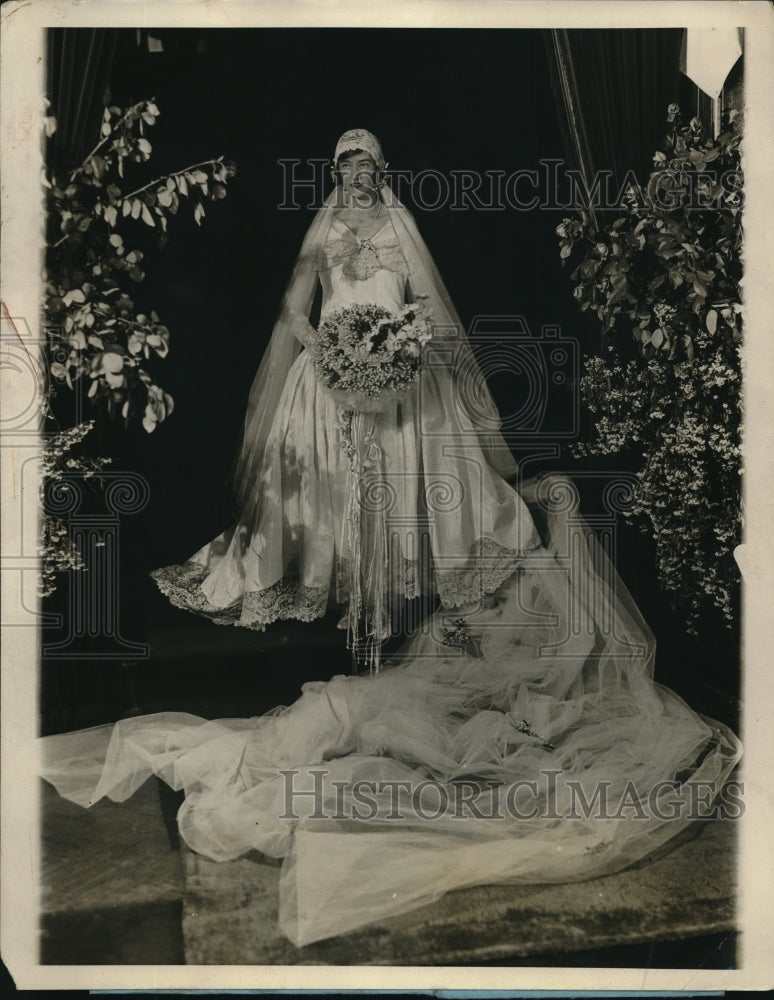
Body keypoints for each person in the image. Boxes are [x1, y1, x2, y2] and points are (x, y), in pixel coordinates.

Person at [39, 129, 742, 950]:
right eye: (347, 166)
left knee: (425, 490)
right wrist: (325, 349)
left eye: (368, 165)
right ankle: (336, 587)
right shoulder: (324, 228)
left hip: (398, 381)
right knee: (316, 494)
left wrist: (399, 352)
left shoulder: (403, 227)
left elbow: (431, 314)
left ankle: (399, 590)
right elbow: (292, 310)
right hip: (331, 379)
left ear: (383, 170)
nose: (358, 176)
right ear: (336, 172)